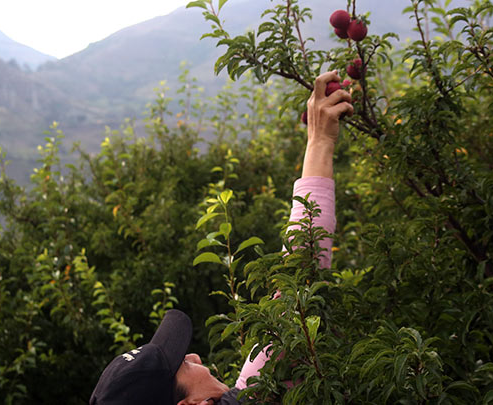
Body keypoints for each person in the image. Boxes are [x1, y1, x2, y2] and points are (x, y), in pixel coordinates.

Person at [89, 71, 354, 405]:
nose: (196, 357)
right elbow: (301, 269)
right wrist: (320, 140)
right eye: (182, 365)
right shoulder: (258, 393)